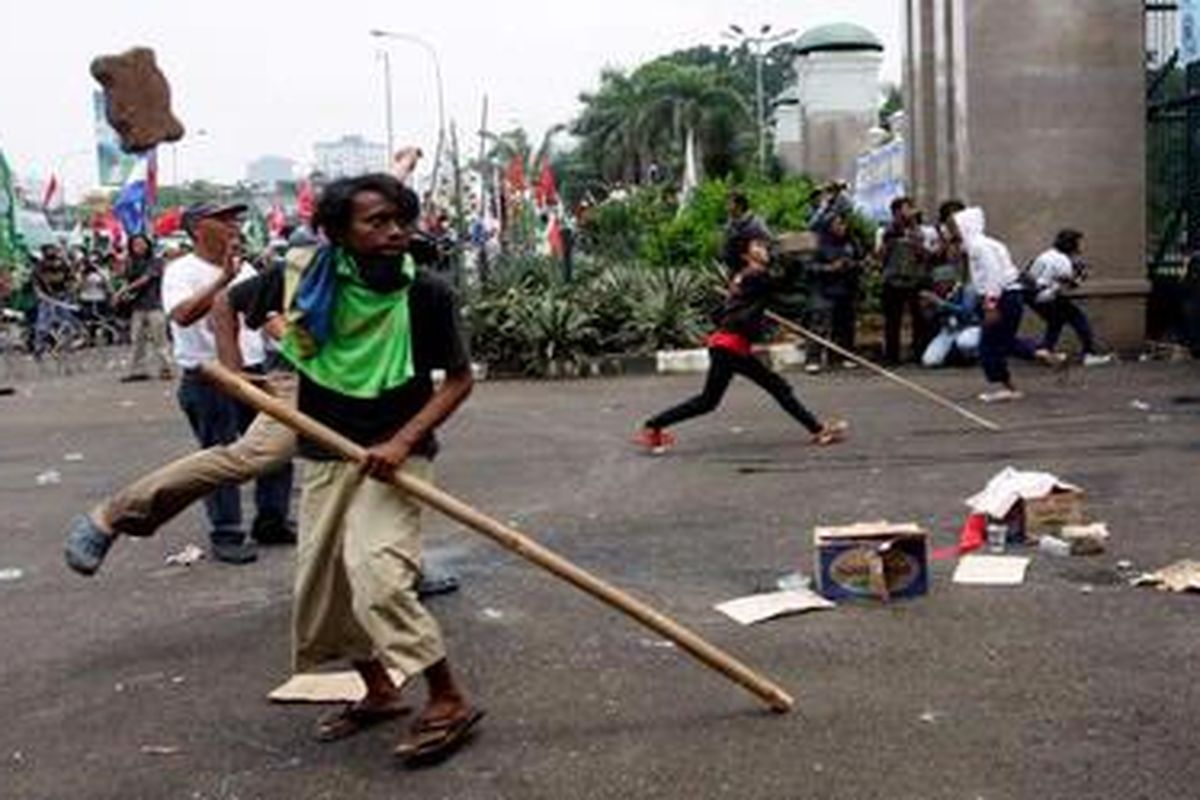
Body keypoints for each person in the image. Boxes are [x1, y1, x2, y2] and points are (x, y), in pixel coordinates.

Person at [216, 173, 483, 764]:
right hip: (326, 452)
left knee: (379, 575)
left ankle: (447, 698)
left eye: (399, 220)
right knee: (327, 583)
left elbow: (459, 381)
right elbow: (225, 304)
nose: (394, 232)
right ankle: (379, 690)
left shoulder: (426, 293)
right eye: (376, 222)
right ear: (338, 232)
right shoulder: (303, 279)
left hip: (398, 458)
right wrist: (236, 375)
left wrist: (402, 439)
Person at [159, 202, 293, 563]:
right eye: (225, 220)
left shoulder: (246, 267)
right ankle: (227, 532)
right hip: (209, 377)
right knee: (219, 456)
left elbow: (262, 315)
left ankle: (272, 520)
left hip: (252, 371)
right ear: (198, 228)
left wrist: (292, 344)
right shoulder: (180, 271)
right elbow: (183, 316)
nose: (235, 225)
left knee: (277, 448)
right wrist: (222, 280)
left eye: (236, 219)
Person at [636, 232, 848, 453]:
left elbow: (772, 295)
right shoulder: (755, 276)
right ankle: (818, 430)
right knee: (776, 387)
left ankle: (653, 426)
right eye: (758, 246)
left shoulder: (743, 277)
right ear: (747, 255)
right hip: (731, 347)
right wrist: (794, 255)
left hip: (727, 346)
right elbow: (786, 282)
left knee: (709, 401)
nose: (764, 248)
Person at [952, 207, 1032, 402]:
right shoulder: (984, 244)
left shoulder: (980, 246)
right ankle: (1041, 354)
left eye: (956, 226)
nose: (954, 231)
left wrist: (990, 304)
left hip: (1001, 297)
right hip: (1007, 295)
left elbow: (993, 275)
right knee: (1000, 341)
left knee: (989, 345)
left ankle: (1008, 388)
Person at [1027, 229, 1112, 366]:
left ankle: (1045, 351)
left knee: (1056, 321)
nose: (1080, 246)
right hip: (1044, 295)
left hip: (1031, 295)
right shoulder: (1063, 261)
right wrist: (1081, 276)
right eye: (1078, 243)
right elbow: (1068, 287)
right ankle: (1090, 354)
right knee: (1077, 317)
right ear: (1071, 244)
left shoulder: (1047, 254)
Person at [807, 212, 863, 370]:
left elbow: (861, 261)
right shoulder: (820, 245)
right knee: (819, 324)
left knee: (845, 325)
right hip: (824, 289)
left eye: (843, 224)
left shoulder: (851, 243)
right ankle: (813, 359)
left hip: (846, 288)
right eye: (837, 224)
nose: (841, 227)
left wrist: (853, 265)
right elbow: (810, 267)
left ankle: (844, 356)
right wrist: (829, 268)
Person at [878, 196, 931, 364]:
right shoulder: (887, 230)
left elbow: (924, 255)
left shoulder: (918, 231)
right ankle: (892, 356)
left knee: (919, 319)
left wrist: (915, 234)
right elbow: (880, 255)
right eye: (907, 208)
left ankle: (918, 353)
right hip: (892, 280)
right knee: (892, 320)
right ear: (897, 212)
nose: (911, 212)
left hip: (914, 280)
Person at [114, 233, 173, 381]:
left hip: (155, 305)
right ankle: (138, 370)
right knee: (137, 340)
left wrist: (123, 291)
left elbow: (145, 279)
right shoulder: (131, 262)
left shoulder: (156, 261)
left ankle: (166, 368)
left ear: (148, 245)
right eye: (135, 245)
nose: (138, 247)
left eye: (141, 244)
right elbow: (123, 278)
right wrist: (121, 263)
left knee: (159, 339)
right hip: (137, 306)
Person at [920, 265, 982, 367]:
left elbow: (967, 311)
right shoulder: (938, 293)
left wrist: (941, 303)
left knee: (965, 342)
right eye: (936, 283)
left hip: (970, 327)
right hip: (949, 330)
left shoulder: (967, 289)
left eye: (939, 283)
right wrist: (927, 309)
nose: (937, 286)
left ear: (949, 281)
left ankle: (975, 355)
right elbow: (931, 318)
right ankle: (953, 356)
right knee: (929, 361)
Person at [720, 192, 769, 274]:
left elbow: (768, 242)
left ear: (740, 205)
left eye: (730, 204)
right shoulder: (729, 227)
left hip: (756, 272)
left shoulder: (755, 223)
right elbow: (724, 251)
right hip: (735, 272)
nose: (727, 208)